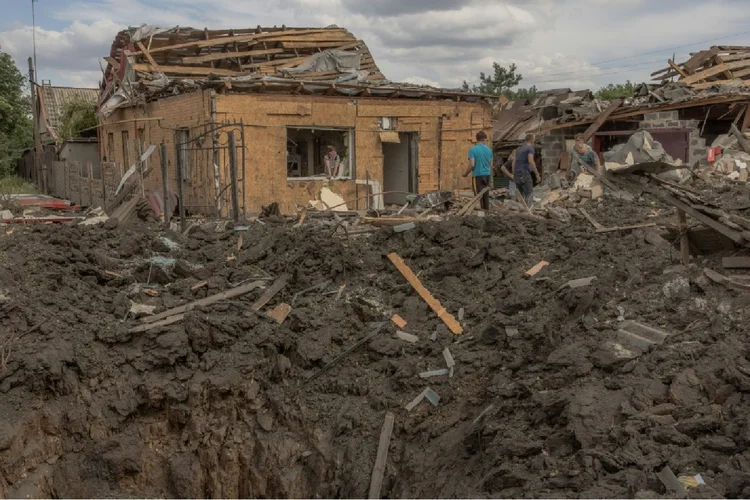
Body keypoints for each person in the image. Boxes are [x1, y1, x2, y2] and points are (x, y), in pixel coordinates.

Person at [463, 131, 494, 211]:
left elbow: (472, 164)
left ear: (477, 139)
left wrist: (466, 173)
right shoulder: (489, 150)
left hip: (477, 175)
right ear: (485, 139)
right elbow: (491, 165)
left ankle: (481, 214)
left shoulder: (473, 150)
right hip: (487, 175)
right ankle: (486, 212)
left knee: (478, 196)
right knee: (486, 195)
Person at [514, 133, 541, 207]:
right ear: (532, 140)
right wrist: (537, 174)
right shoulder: (530, 149)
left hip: (517, 173)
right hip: (524, 173)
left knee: (519, 196)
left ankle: (519, 212)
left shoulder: (518, 149)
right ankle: (529, 213)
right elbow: (531, 161)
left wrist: (514, 174)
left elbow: (514, 162)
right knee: (529, 194)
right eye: (534, 140)